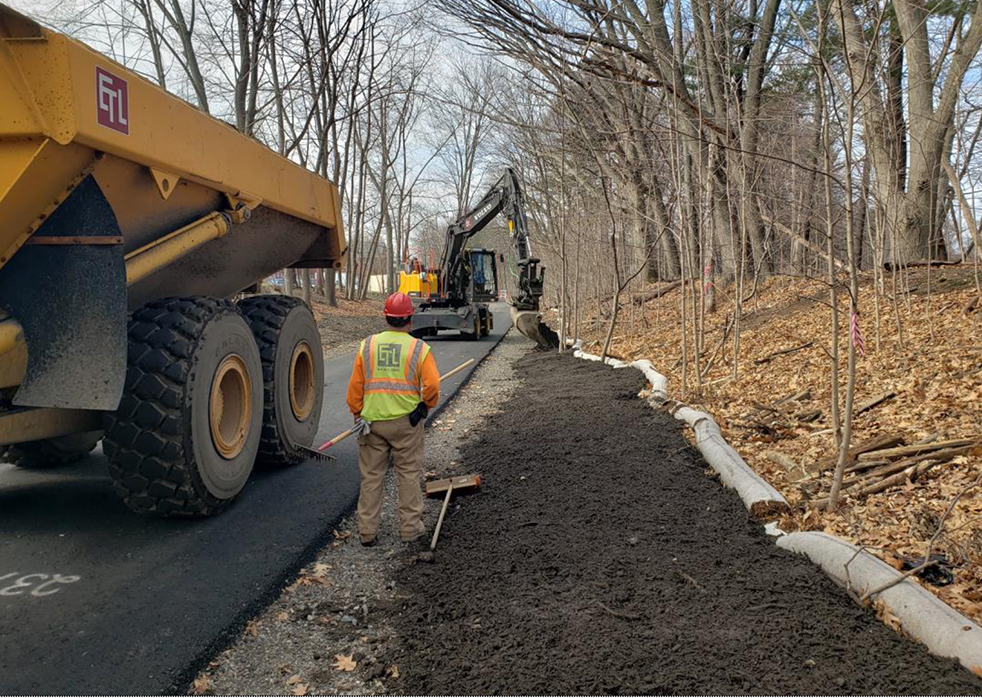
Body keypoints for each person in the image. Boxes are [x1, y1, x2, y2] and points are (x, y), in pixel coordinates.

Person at [346, 292, 440, 546]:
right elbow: (432, 386)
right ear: (410, 318)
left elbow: (355, 387)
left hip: (371, 424)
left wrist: (357, 413)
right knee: (408, 474)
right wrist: (424, 406)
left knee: (371, 477)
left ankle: (367, 532)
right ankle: (410, 530)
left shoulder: (367, 346)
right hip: (405, 424)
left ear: (386, 317)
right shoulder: (419, 348)